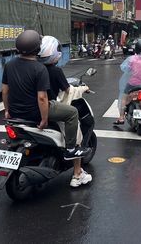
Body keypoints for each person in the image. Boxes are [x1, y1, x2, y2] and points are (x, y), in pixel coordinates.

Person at [1, 30, 92, 167]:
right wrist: (44, 119)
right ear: (37, 48)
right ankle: (71, 149)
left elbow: (5, 91)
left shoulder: (9, 65)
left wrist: (7, 110)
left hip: (15, 113)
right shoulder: (39, 68)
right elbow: (42, 98)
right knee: (73, 112)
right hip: (35, 112)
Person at [38, 35, 92, 188]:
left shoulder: (34, 68)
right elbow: (68, 91)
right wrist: (83, 88)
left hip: (29, 110)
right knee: (76, 136)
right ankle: (77, 173)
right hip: (49, 108)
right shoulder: (56, 71)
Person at [114, 38, 141, 125]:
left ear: (136, 48)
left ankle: (121, 117)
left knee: (124, 97)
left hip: (133, 84)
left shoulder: (132, 59)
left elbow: (125, 68)